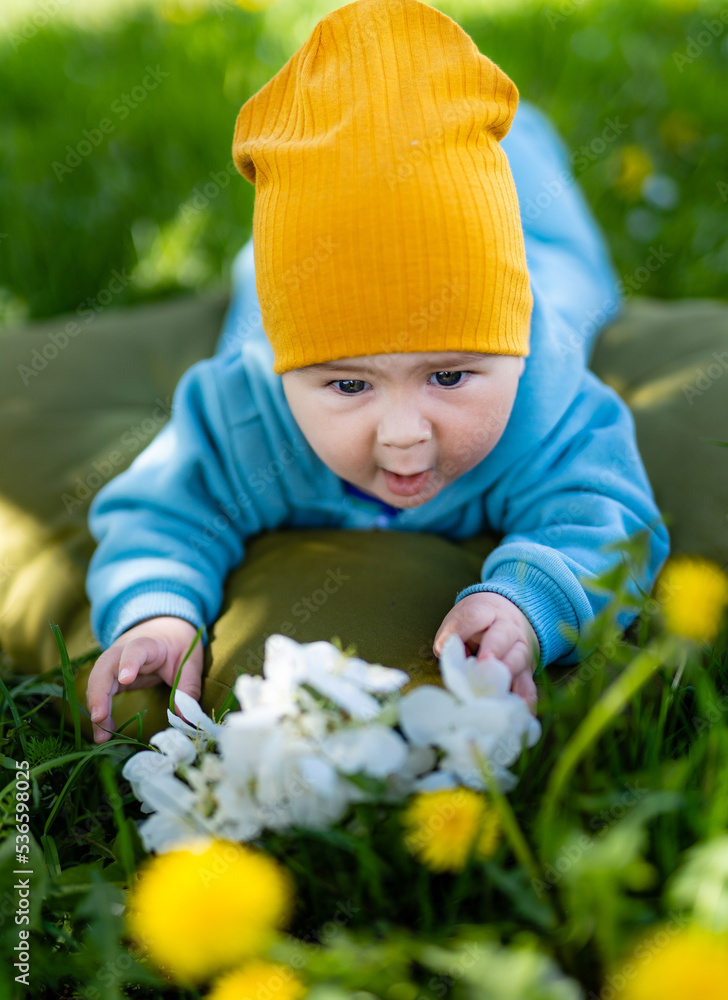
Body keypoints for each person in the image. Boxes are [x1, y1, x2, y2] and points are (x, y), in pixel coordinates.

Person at [84, 0, 670, 744]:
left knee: (572, 274)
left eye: (451, 377)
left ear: (514, 344)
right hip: (309, 277)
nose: (403, 437)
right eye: (350, 385)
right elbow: (162, 512)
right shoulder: (246, 409)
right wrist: (157, 608)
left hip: (529, 244)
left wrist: (529, 603)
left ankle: (520, 150)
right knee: (265, 287)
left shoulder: (548, 400)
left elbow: (606, 517)